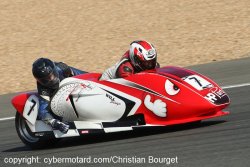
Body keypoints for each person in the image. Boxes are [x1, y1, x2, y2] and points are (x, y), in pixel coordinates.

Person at [32, 58, 86, 133]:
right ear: (39, 80)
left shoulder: (63, 68)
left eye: (51, 75)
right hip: (62, 98)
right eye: (45, 79)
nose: (50, 79)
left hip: (77, 89)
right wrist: (55, 123)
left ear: (54, 71)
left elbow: (84, 74)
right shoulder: (42, 88)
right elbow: (42, 110)